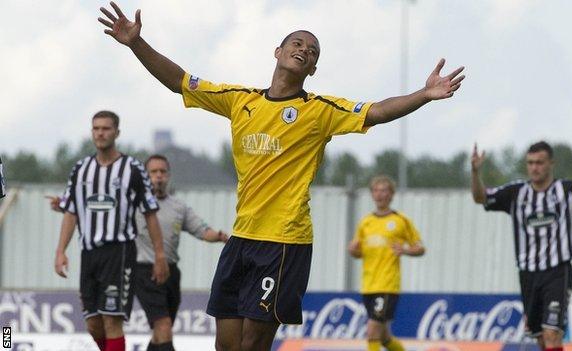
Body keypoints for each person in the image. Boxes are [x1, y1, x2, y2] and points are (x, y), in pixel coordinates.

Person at [97, 3, 465, 350]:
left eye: (313, 51)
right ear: (277, 51)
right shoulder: (240, 100)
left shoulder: (320, 111)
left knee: (253, 344)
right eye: (297, 43)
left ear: (313, 70)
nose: (304, 50)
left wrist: (425, 94)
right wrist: (136, 44)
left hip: (284, 242)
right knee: (225, 344)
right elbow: (179, 80)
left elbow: (378, 111)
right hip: (241, 239)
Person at [470, 141, 572, 351]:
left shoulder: (567, 189)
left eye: (539, 162)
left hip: (557, 271)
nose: (534, 167)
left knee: (552, 333)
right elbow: (481, 197)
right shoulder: (515, 193)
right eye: (530, 163)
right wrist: (475, 172)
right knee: (541, 338)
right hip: (528, 275)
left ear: (551, 163)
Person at [54, 110, 170, 351]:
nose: (100, 133)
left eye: (106, 128)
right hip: (89, 254)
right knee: (93, 324)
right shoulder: (80, 169)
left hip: (119, 253)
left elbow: (150, 214)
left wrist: (160, 255)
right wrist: (60, 251)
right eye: (96, 128)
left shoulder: (133, 169)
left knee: (112, 319)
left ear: (117, 132)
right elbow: (70, 211)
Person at [135, 154, 229, 351]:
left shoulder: (179, 207)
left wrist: (220, 236)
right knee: (164, 327)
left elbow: (202, 230)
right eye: (154, 172)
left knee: (161, 333)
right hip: (145, 271)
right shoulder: (134, 204)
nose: (158, 176)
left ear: (168, 175)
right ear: (145, 175)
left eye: (162, 171)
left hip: (170, 273)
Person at [348, 175, 425, 351]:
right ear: (372, 194)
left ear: (391, 194)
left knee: (372, 330)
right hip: (368, 285)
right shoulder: (366, 222)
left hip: (387, 284)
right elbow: (358, 251)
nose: (379, 194)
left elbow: (420, 248)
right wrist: (353, 250)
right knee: (384, 337)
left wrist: (405, 250)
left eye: (384, 190)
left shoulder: (400, 220)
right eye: (376, 190)